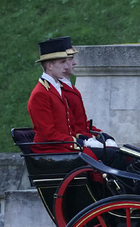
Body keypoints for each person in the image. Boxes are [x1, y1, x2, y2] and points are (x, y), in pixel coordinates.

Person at [28, 36, 127, 168]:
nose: (67, 66)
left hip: (64, 145)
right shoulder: (41, 93)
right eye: (62, 62)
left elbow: (72, 124)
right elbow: (48, 134)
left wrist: (91, 137)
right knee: (113, 156)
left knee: (121, 154)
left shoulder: (56, 89)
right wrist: (78, 141)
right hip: (53, 149)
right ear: (49, 65)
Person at [58, 36, 117, 149]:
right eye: (70, 59)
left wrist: (100, 134)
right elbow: (69, 127)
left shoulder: (69, 88)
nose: (74, 63)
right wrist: (87, 139)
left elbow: (82, 123)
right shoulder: (60, 91)